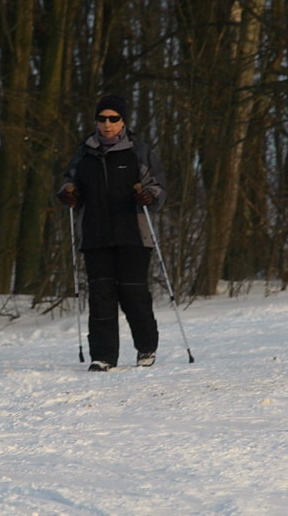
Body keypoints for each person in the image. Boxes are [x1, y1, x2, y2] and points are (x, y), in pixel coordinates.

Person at [57, 94, 167, 372]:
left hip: (133, 233)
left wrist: (149, 197)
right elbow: (68, 181)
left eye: (113, 119)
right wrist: (68, 194)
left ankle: (146, 347)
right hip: (95, 234)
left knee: (133, 293)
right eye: (102, 119)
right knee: (101, 295)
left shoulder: (139, 151)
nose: (107, 124)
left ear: (123, 122)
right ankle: (103, 355)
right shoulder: (83, 153)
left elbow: (158, 188)